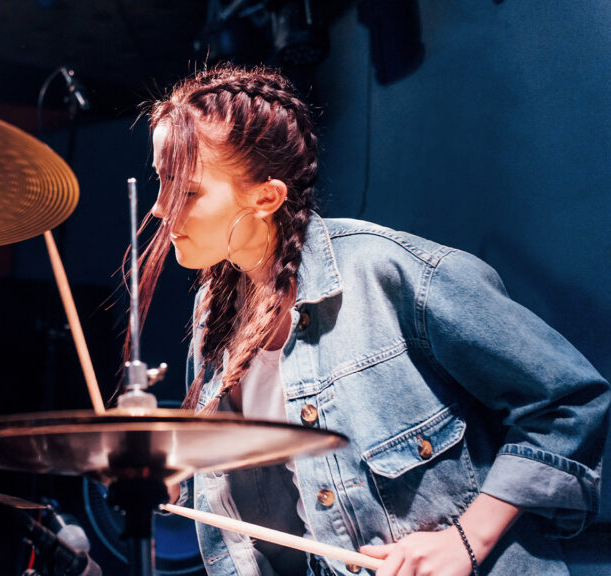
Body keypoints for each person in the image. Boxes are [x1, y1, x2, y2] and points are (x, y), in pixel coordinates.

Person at [135, 63, 609, 576]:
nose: (160, 210)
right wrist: (167, 464)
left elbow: (570, 404)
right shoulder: (214, 312)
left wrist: (465, 542)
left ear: (266, 197)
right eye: (162, 182)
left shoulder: (393, 272)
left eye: (186, 190)